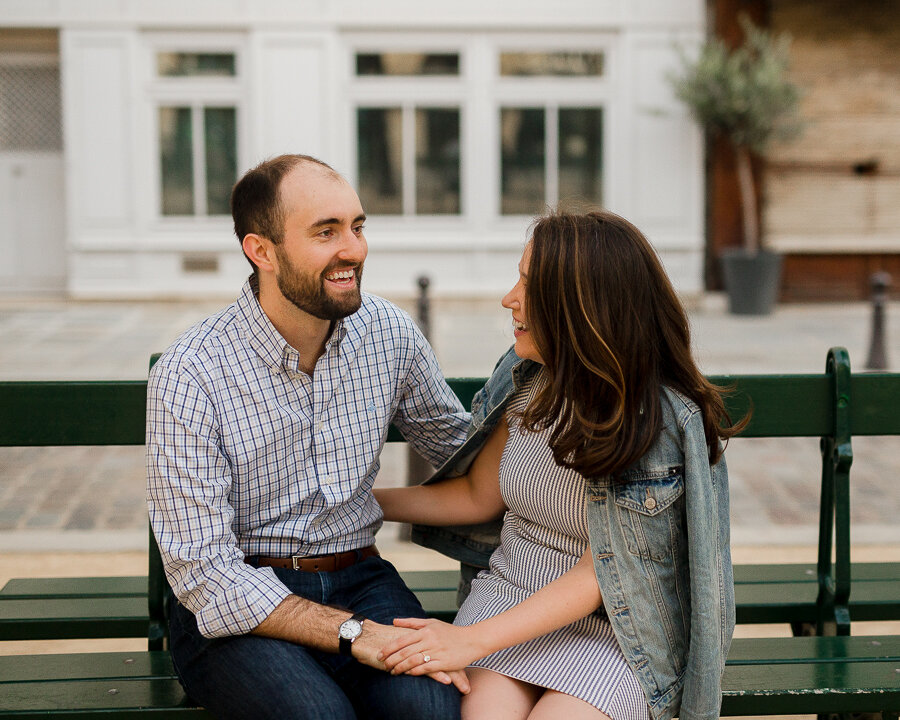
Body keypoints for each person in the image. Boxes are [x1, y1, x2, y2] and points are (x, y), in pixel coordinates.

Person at [374, 210, 743, 720]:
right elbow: (478, 496)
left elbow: (598, 576)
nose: (509, 298)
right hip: (510, 598)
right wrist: (364, 505)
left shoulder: (655, 422)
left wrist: (467, 642)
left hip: (618, 631)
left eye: (528, 283)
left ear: (580, 307)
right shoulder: (529, 379)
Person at [146, 153, 472, 720]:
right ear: (261, 251)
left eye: (358, 226)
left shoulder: (388, 333)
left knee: (432, 709)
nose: (354, 249)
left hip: (362, 579)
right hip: (239, 606)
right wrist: (351, 634)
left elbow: (462, 455)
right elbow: (205, 574)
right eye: (326, 232)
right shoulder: (191, 372)